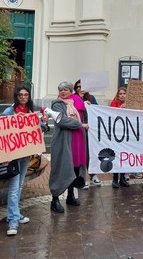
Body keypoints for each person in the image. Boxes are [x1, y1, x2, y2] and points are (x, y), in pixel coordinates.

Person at [1, 85, 37, 235]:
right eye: (20, 95)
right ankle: (13, 220)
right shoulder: (9, 111)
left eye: (26, 95)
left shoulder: (30, 111)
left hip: (25, 154)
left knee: (20, 185)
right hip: (13, 156)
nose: (23, 97)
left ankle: (15, 213)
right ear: (16, 97)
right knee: (14, 188)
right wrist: (14, 120)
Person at [49, 81, 87, 213]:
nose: (63, 92)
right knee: (61, 168)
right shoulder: (57, 104)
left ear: (71, 91)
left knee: (75, 168)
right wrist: (79, 125)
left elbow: (84, 115)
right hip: (63, 141)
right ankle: (55, 200)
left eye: (65, 89)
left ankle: (71, 196)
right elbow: (62, 121)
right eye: (61, 90)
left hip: (77, 140)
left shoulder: (76, 102)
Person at [74, 80, 101, 187]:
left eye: (82, 86)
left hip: (90, 130)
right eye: (77, 87)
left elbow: (97, 111)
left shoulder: (91, 98)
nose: (80, 89)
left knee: (91, 152)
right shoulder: (74, 98)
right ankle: (81, 179)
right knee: (81, 154)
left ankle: (93, 175)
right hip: (79, 129)